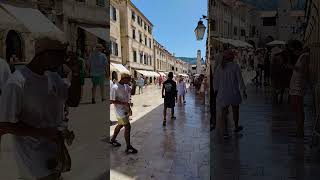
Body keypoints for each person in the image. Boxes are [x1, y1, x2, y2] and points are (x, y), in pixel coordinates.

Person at [0, 38, 73, 180]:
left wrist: (76, 73)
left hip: (54, 149)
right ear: (45, 54)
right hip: (33, 156)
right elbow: (5, 125)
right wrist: (44, 133)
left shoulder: (53, 76)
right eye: (59, 56)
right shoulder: (17, 83)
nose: (62, 61)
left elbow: (73, 100)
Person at [213, 48, 247, 139]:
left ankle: (225, 132)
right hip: (234, 92)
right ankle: (236, 127)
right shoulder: (235, 66)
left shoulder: (220, 67)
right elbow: (240, 80)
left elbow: (215, 80)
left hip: (223, 93)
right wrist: (243, 90)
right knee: (235, 111)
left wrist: (215, 90)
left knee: (224, 113)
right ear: (232, 57)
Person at [110, 73, 137, 154]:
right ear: (123, 78)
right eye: (128, 79)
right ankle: (128, 146)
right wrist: (124, 103)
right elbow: (112, 100)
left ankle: (113, 139)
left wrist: (134, 85)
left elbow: (132, 93)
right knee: (127, 126)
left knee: (120, 124)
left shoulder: (126, 85)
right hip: (119, 110)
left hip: (125, 109)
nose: (129, 81)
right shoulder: (115, 87)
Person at [287, 41, 310, 138]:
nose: (293, 52)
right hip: (295, 85)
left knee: (299, 108)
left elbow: (304, 71)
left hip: (298, 85)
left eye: (293, 50)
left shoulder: (304, 56)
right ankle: (298, 129)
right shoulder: (301, 56)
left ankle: (300, 131)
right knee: (295, 107)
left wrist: (292, 67)